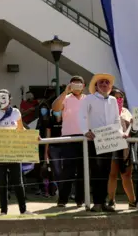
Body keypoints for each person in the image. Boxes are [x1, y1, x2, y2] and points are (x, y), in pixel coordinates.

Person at [80, 73, 124, 212]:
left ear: (110, 86)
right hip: (94, 138)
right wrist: (85, 131)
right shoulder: (89, 99)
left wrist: (120, 132)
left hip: (109, 138)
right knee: (96, 170)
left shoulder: (112, 100)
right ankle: (97, 202)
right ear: (96, 86)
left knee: (106, 171)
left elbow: (117, 119)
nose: (104, 85)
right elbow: (81, 116)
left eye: (107, 83)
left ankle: (103, 201)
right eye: (101, 83)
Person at [0, 89, 32, 215]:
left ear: (10, 99)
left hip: (13, 152)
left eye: (4, 98)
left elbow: (21, 130)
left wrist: (32, 136)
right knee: (2, 183)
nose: (1, 100)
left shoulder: (16, 112)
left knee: (18, 182)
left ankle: (23, 209)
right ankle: (3, 211)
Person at [51, 76, 86, 207]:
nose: (77, 86)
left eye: (79, 84)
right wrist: (66, 91)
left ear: (84, 86)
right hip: (69, 138)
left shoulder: (87, 99)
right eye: (74, 84)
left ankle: (80, 199)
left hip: (84, 137)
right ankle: (63, 199)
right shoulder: (65, 98)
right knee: (68, 170)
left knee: (83, 170)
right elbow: (55, 108)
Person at [106, 88, 136, 210]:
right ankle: (111, 200)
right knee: (112, 174)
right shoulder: (106, 110)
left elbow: (132, 128)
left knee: (127, 175)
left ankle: (132, 201)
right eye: (116, 97)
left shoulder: (126, 111)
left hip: (126, 147)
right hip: (112, 145)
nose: (119, 100)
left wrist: (134, 123)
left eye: (121, 97)